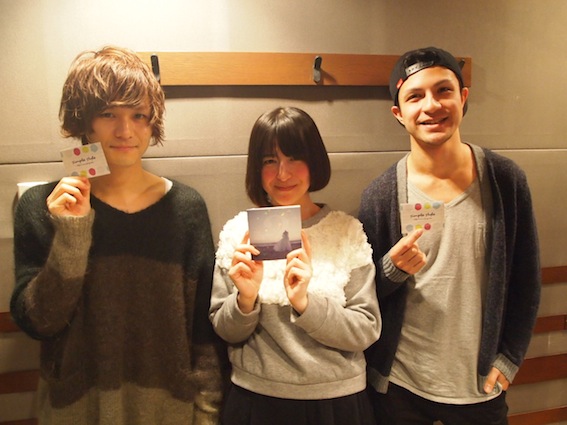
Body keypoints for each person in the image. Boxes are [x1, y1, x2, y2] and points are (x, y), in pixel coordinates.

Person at [11, 46, 223, 424]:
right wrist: (72, 234)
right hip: (74, 410)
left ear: (152, 123)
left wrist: (207, 414)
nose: (125, 131)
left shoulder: (186, 209)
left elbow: (203, 333)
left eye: (138, 115)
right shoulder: (41, 206)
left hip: (168, 412)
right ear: (84, 121)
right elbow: (40, 322)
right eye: (108, 114)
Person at [359, 46, 541, 425]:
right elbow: (362, 295)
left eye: (443, 90)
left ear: (463, 97)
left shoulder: (505, 181)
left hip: (478, 384)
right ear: (399, 113)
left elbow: (526, 280)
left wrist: (510, 357)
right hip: (400, 386)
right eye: (415, 96)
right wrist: (392, 270)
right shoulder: (381, 195)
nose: (432, 106)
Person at [209, 106, 381, 425]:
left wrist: (305, 303)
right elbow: (224, 330)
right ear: (256, 168)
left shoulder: (346, 231)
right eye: (269, 161)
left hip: (336, 402)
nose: (283, 174)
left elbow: (366, 329)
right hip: (255, 398)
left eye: (294, 158)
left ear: (314, 161)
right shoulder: (238, 233)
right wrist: (245, 300)